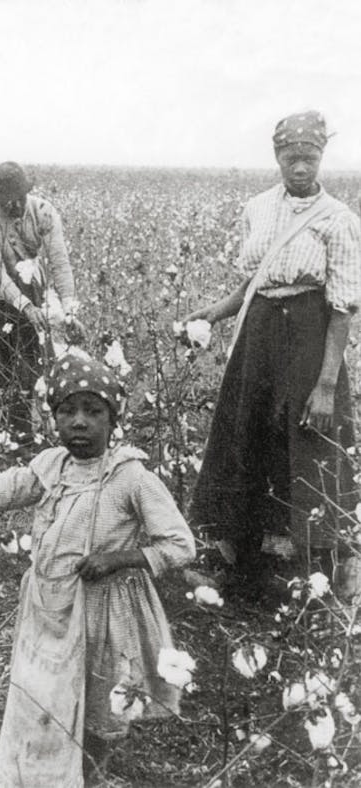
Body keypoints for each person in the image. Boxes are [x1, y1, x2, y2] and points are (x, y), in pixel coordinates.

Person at [0, 353, 195, 786]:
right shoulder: (52, 467)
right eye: (67, 411)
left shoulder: (131, 477)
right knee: (44, 699)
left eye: (93, 411)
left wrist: (116, 559)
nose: (79, 423)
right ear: (54, 419)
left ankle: (89, 772)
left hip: (102, 612)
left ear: (112, 419)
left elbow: (180, 545)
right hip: (48, 608)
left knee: (96, 700)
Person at [185, 111, 361, 592]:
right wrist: (216, 312)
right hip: (259, 334)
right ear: (277, 157)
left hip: (309, 335)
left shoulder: (340, 221)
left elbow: (342, 308)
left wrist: (326, 384)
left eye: (309, 157)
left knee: (310, 441)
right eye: (291, 157)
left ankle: (318, 567)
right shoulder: (258, 208)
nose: (300, 167)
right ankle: (239, 556)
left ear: (321, 157)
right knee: (246, 434)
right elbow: (255, 278)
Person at [0, 162, 81, 452]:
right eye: (10, 200)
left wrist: (69, 311)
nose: (17, 205)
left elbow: (59, 262)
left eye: (21, 197)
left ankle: (22, 432)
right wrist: (25, 307)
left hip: (29, 285)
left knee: (29, 358)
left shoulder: (43, 211)